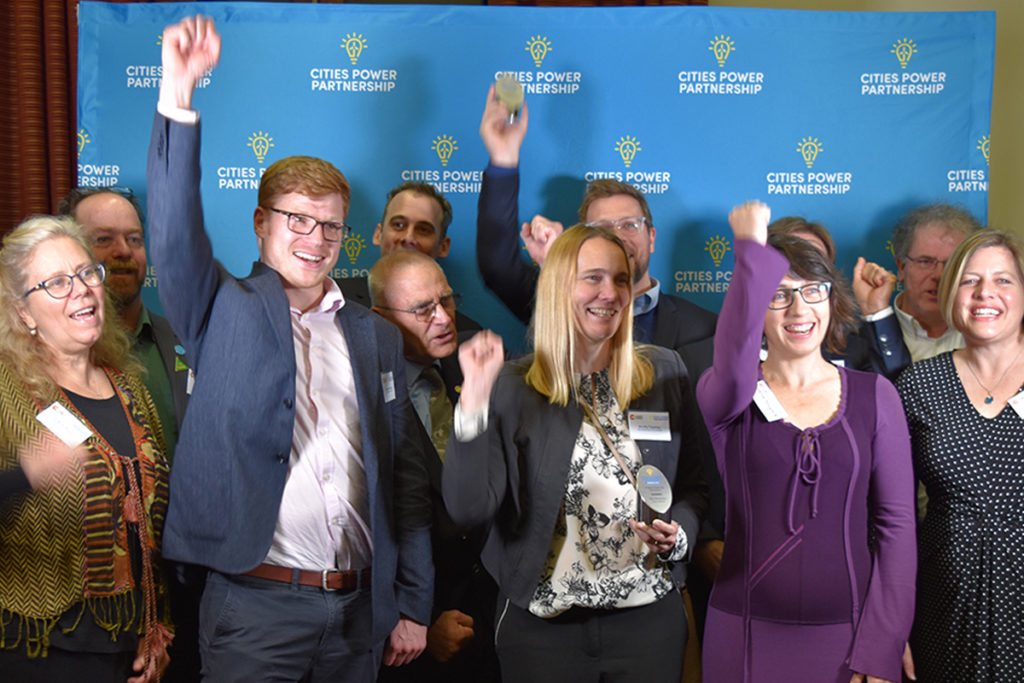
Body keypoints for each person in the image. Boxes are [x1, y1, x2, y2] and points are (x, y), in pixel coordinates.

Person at [147, 16, 432, 682]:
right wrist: (178, 96)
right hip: (253, 609)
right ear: (260, 224)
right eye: (296, 219)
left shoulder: (376, 335)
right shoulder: (220, 307)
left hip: (359, 612)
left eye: (329, 223)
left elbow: (406, 482)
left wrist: (413, 601)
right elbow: (172, 228)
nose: (314, 236)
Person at [443, 224, 709, 683]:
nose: (609, 292)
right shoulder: (511, 385)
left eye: (620, 279)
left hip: (649, 626)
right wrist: (472, 405)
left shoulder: (666, 372)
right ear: (558, 287)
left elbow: (697, 486)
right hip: (543, 631)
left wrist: (680, 534)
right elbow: (468, 508)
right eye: (592, 278)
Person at [697, 201, 916, 682]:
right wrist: (750, 249)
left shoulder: (875, 395)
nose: (799, 309)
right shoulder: (728, 394)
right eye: (778, 295)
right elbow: (734, 354)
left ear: (832, 300)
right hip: (743, 636)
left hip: (849, 640)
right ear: (757, 306)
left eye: (813, 291)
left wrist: (883, 647)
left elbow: (896, 527)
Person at [0, 215, 171, 682]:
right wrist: (26, 475)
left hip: (130, 644)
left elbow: (150, 528)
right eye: (56, 282)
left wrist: (157, 628)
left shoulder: (129, 386)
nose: (80, 289)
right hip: (38, 648)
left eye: (85, 273)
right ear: (23, 313)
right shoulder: (5, 390)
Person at [477, 84, 717, 373]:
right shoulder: (559, 299)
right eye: (602, 228)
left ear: (651, 237)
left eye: (629, 224)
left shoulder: (703, 328)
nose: (617, 238)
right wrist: (504, 157)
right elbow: (498, 266)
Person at [896, 228, 1024, 681]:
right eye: (970, 280)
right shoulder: (918, 386)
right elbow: (890, 516)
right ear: (952, 293)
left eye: (1003, 280)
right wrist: (891, 628)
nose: (986, 293)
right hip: (941, 609)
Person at [369, 250, 500, 683]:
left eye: (447, 300)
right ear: (379, 318)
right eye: (423, 309)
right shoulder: (362, 398)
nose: (444, 318)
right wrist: (420, 614)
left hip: (492, 621)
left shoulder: (475, 371)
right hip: (414, 639)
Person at [57, 187, 190, 461]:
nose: (124, 250)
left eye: (134, 239)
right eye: (104, 239)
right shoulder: (40, 360)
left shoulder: (188, 345)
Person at [853, 203, 983, 374]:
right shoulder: (864, 340)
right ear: (901, 267)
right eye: (926, 262)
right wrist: (876, 312)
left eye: (952, 264)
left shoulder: (990, 333)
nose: (939, 275)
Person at [338, 181, 480, 332]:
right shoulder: (333, 303)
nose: (408, 238)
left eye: (423, 230)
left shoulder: (465, 335)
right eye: (398, 225)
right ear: (378, 234)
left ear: (443, 246)